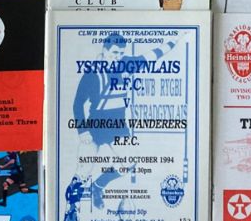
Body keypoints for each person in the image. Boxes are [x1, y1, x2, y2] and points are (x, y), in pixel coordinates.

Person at [72, 32, 181, 210]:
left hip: (118, 127)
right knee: (83, 171)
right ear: (105, 50)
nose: (117, 57)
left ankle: (97, 186)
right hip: (95, 126)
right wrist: (82, 130)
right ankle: (72, 209)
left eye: (121, 53)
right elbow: (78, 104)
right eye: (114, 52)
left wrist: (174, 41)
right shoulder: (92, 73)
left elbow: (151, 56)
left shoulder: (125, 64)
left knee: (129, 162)